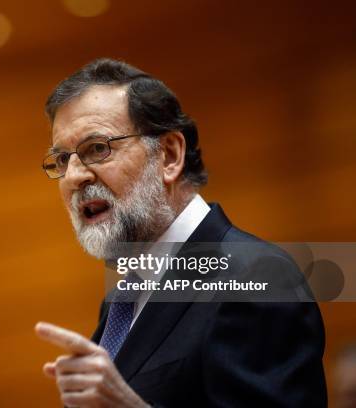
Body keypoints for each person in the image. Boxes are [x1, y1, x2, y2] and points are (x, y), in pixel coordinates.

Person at [34, 58, 327, 407]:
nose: (73, 177)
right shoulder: (121, 299)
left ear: (170, 156)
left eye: (97, 149)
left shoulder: (256, 278)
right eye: (63, 160)